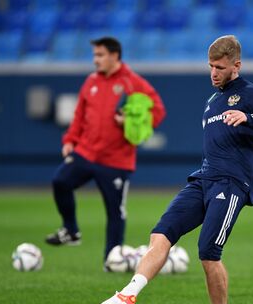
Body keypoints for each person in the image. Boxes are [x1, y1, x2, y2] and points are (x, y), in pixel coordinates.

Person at [96, 35, 253, 304]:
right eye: (211, 66)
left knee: (208, 252)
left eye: (220, 67)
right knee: (160, 235)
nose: (214, 72)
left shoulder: (250, 94)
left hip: (231, 183)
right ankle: (127, 295)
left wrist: (249, 117)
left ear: (236, 66)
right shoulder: (212, 101)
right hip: (202, 179)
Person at [45, 37, 166, 262]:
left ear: (114, 56)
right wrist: (70, 140)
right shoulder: (91, 81)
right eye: (94, 55)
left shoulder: (133, 83)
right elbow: (80, 114)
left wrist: (130, 121)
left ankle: (112, 259)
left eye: (100, 55)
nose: (95, 60)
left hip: (116, 159)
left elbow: (157, 111)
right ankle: (71, 231)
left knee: (114, 211)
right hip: (87, 151)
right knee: (60, 181)